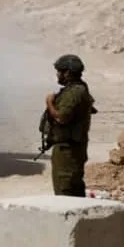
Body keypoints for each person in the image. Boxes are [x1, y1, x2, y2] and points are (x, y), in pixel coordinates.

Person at [43, 54, 97, 197]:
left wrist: (49, 102)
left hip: (68, 149)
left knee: (65, 190)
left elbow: (62, 117)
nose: (57, 75)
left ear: (67, 73)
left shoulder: (74, 92)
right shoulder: (78, 89)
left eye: (59, 71)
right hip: (72, 147)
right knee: (73, 189)